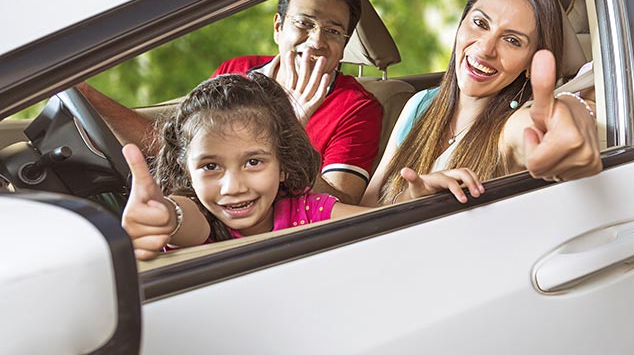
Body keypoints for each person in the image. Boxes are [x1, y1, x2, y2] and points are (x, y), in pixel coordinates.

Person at [80, 0, 383, 205]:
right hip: (191, 205)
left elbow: (341, 203)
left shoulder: (357, 107)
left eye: (332, 31)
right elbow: (175, 148)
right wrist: (89, 96)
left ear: (343, 46)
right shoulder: (236, 71)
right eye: (304, 23)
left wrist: (292, 133)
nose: (316, 41)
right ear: (278, 27)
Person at [121, 73, 476, 261]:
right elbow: (183, 219)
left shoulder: (308, 211)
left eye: (254, 162)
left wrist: (417, 203)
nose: (232, 186)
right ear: (186, 172)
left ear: (284, 166)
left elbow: (376, 226)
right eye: (211, 166)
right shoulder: (199, 216)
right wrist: (166, 216)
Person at [361, 0, 602, 206]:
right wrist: (412, 197)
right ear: (462, 23)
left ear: (531, 64)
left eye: (512, 40)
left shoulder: (511, 127)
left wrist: (576, 113)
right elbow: (366, 211)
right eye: (480, 23)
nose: (486, 49)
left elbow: (538, 129)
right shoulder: (420, 104)